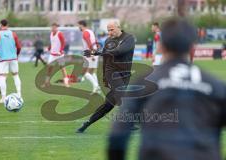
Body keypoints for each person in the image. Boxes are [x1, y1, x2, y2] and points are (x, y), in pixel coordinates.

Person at [107, 18, 226, 160]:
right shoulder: (215, 85)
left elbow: (117, 134)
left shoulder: (143, 83)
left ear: (162, 46)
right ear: (192, 46)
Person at [76, 21, 135, 133]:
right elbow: (106, 59)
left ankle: (87, 123)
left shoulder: (129, 38)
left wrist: (98, 52)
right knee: (123, 95)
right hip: (112, 72)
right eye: (108, 30)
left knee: (108, 105)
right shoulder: (108, 41)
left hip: (125, 74)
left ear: (119, 28)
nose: (109, 32)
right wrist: (104, 77)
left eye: (112, 29)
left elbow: (119, 51)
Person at [0, 19, 22, 103]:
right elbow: (19, 47)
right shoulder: (13, 34)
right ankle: (19, 95)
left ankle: (3, 98)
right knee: (15, 75)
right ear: (8, 25)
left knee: (2, 77)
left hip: (3, 59)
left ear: (0, 25)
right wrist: (17, 55)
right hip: (13, 58)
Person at [43, 23, 69, 87]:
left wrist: (60, 51)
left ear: (57, 28)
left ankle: (66, 83)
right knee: (49, 68)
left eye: (54, 27)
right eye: (52, 27)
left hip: (59, 55)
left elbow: (63, 43)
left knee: (62, 69)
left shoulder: (59, 34)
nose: (53, 28)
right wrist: (48, 48)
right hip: (52, 55)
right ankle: (46, 83)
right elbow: (52, 43)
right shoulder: (51, 34)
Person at [77, 20, 100, 94]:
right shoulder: (90, 31)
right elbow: (96, 41)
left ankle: (95, 86)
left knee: (86, 73)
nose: (78, 27)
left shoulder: (85, 33)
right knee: (92, 72)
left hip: (89, 53)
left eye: (79, 25)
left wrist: (92, 54)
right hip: (94, 51)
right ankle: (97, 88)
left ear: (82, 25)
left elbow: (89, 43)